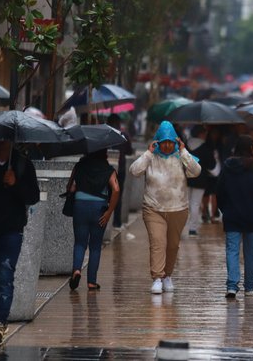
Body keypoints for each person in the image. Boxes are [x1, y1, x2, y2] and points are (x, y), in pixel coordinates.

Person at [0, 141, 40, 344]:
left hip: (11, 231)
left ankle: (0, 320)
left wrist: (15, 184)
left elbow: (34, 196)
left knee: (4, 273)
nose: (1, 140)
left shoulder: (23, 165)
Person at [130, 121, 201, 294]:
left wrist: (183, 152)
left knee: (172, 245)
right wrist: (148, 153)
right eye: (164, 141)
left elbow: (196, 171)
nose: (167, 145)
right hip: (153, 208)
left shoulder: (181, 157)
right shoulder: (151, 158)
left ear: (176, 141)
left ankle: (167, 275)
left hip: (178, 209)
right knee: (158, 242)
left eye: (171, 141)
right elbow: (135, 171)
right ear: (157, 142)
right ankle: (157, 278)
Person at [217, 135, 253, 298]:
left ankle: (232, 285)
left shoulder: (227, 166)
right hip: (252, 215)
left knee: (232, 250)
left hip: (232, 214)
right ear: (252, 148)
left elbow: (220, 191)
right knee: (250, 252)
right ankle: (250, 285)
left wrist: (224, 209)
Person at [67, 149, 120, 291]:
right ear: (104, 154)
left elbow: (71, 188)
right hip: (99, 209)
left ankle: (77, 270)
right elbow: (116, 189)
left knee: (80, 243)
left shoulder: (79, 166)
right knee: (95, 246)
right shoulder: (108, 169)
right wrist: (109, 212)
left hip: (80, 207)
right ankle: (91, 282)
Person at [186, 125, 216, 237]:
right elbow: (211, 165)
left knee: (185, 204)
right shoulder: (205, 148)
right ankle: (192, 229)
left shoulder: (185, 146)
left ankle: (181, 227)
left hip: (186, 179)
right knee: (195, 204)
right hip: (200, 180)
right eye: (204, 133)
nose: (206, 135)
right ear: (200, 134)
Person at [107, 114, 133, 229]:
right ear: (118, 123)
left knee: (106, 194)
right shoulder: (124, 135)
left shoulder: (105, 134)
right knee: (117, 194)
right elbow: (129, 151)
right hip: (120, 169)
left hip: (106, 170)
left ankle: (105, 222)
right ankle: (117, 222)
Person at [202, 128, 223, 223]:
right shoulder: (208, 146)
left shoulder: (220, 146)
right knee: (207, 194)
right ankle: (205, 213)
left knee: (213, 194)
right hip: (208, 173)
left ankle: (212, 215)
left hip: (215, 173)